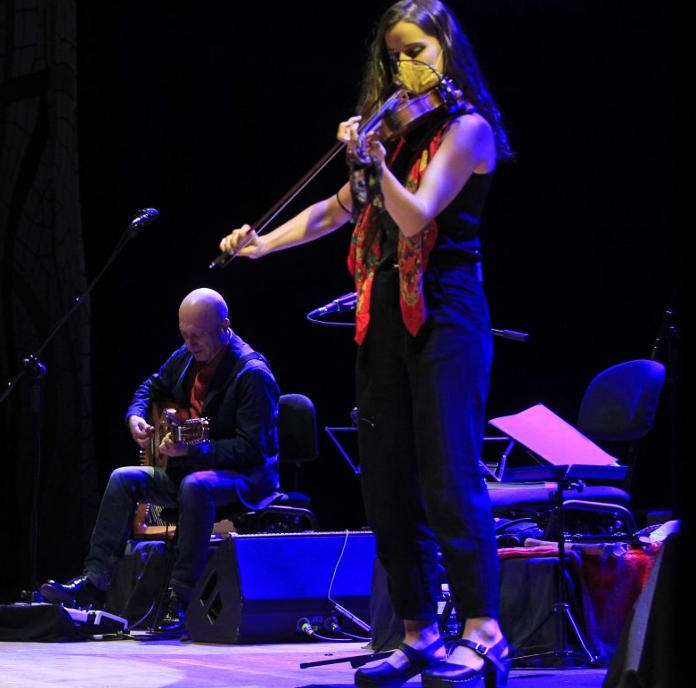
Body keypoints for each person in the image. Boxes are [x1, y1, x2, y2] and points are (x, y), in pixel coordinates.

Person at [218, 1, 510, 686]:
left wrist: (375, 163)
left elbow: (415, 217)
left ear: (446, 49)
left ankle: (485, 631)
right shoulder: (394, 139)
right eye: (395, 55)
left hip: (446, 316)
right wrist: (263, 244)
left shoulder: (467, 130)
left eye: (417, 50)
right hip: (381, 316)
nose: (405, 65)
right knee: (385, 481)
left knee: (449, 477)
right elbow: (335, 210)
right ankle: (419, 632)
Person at [41, 288, 280, 631]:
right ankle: (95, 583)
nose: (190, 343)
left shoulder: (252, 373)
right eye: (184, 334)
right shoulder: (187, 355)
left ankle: (180, 598)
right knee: (123, 478)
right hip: (192, 470)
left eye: (198, 335)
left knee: (196, 486)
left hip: (246, 479)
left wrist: (192, 451)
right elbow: (150, 387)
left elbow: (252, 449)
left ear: (224, 327)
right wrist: (135, 416)